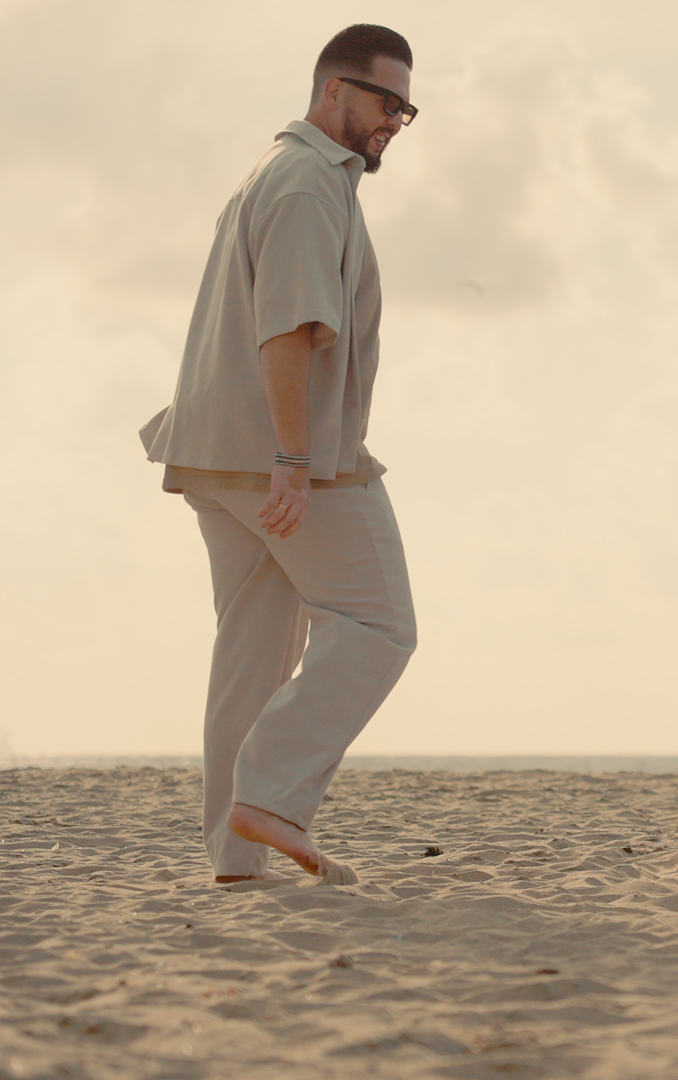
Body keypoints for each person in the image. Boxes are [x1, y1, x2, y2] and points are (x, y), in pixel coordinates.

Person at [138, 25, 422, 885]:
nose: (396, 122)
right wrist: (295, 461)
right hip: (279, 454)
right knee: (378, 624)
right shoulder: (308, 182)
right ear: (332, 90)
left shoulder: (280, 170)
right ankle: (271, 799)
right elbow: (288, 330)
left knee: (254, 649)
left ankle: (235, 856)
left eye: (408, 109)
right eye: (384, 102)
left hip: (214, 450)